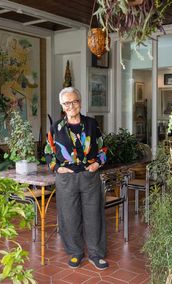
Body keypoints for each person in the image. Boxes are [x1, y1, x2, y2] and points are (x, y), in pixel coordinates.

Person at [45, 87, 109, 270]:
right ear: (62, 106)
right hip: (67, 179)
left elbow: (103, 148)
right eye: (67, 103)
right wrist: (57, 168)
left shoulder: (91, 124)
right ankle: (76, 252)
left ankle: (96, 254)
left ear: (80, 103)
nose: (71, 106)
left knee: (94, 215)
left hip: (89, 176)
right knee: (69, 216)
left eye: (74, 101)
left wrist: (97, 164)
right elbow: (48, 153)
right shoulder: (56, 127)